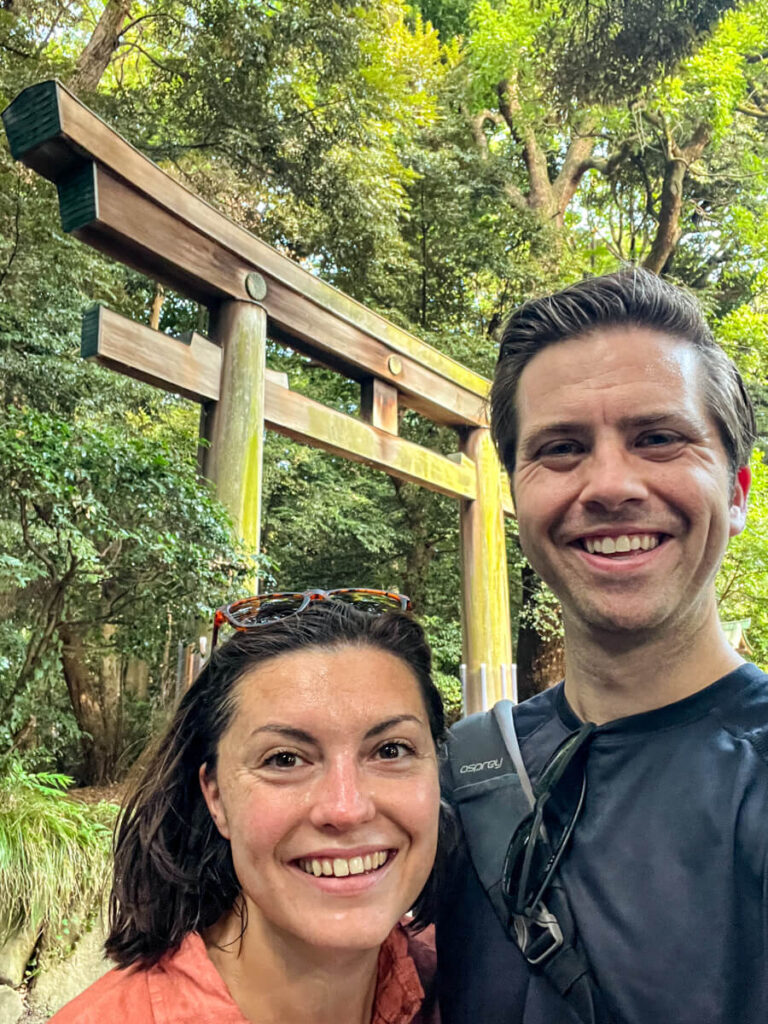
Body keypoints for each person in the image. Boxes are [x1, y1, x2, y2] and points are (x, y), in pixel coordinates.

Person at [436, 268, 768, 1024]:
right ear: (518, 496)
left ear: (739, 490)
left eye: (659, 438)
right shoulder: (466, 770)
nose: (611, 485)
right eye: (561, 449)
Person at [51, 590, 446, 1024]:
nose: (346, 808)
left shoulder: (471, 980)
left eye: (390, 750)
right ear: (216, 797)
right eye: (284, 759)